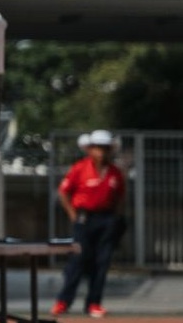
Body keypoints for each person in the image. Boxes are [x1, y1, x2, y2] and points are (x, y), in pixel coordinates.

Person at [52, 129, 127, 318]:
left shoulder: (115, 172)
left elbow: (120, 197)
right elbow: (63, 192)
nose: (101, 152)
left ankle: (93, 303)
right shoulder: (80, 168)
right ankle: (63, 302)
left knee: (102, 262)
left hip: (107, 219)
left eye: (105, 148)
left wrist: (115, 219)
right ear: (90, 149)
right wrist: (73, 214)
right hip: (84, 219)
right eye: (98, 148)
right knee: (78, 260)